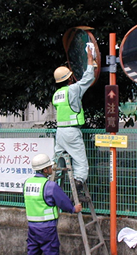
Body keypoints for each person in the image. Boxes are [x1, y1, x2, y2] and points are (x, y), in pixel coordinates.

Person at [23, 153, 82, 255]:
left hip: (32, 228)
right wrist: (74, 208)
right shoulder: (49, 186)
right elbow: (63, 202)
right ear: (44, 170)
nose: (51, 168)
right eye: (49, 167)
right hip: (47, 229)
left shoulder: (27, 183)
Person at [52, 45, 95, 192]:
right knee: (80, 161)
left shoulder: (56, 95)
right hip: (72, 131)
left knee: (58, 160)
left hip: (60, 132)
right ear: (69, 78)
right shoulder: (73, 89)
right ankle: (78, 183)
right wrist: (90, 58)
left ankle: (52, 183)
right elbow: (88, 78)